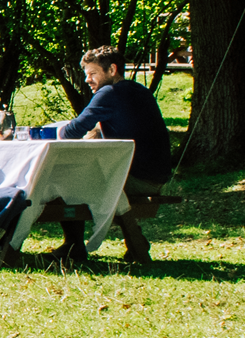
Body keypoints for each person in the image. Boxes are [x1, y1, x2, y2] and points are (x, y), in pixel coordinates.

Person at [50, 46, 171, 264]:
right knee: (85, 176)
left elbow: (72, 131)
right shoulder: (138, 90)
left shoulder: (110, 93)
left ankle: (74, 245)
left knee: (66, 179)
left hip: (137, 179)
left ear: (112, 69)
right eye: (87, 75)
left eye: (93, 73)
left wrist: (48, 132)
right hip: (155, 175)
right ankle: (134, 241)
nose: (88, 80)